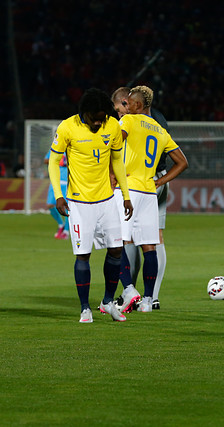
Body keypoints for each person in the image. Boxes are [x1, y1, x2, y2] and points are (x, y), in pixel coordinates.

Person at [48, 88, 133, 323]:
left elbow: (117, 160)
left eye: (102, 117)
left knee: (116, 250)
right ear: (84, 113)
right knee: (83, 255)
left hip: (107, 200)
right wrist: (58, 195)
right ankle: (85, 308)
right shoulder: (67, 127)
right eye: (95, 117)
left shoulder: (112, 126)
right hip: (79, 203)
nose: (98, 121)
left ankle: (107, 302)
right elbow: (54, 163)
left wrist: (125, 195)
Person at [111, 85, 189, 313]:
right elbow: (182, 162)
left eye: (129, 103)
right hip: (149, 189)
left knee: (119, 242)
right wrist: (160, 182)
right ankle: (147, 300)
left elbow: (115, 144)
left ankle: (128, 290)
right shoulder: (159, 129)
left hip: (128, 188)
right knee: (149, 246)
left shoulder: (128, 121)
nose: (125, 108)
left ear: (136, 105)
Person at [44, 150, 69, 239]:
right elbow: (46, 160)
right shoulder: (56, 147)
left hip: (68, 182)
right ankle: (61, 225)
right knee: (50, 205)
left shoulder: (73, 147)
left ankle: (66, 231)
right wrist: (58, 161)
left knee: (67, 208)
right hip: (56, 182)